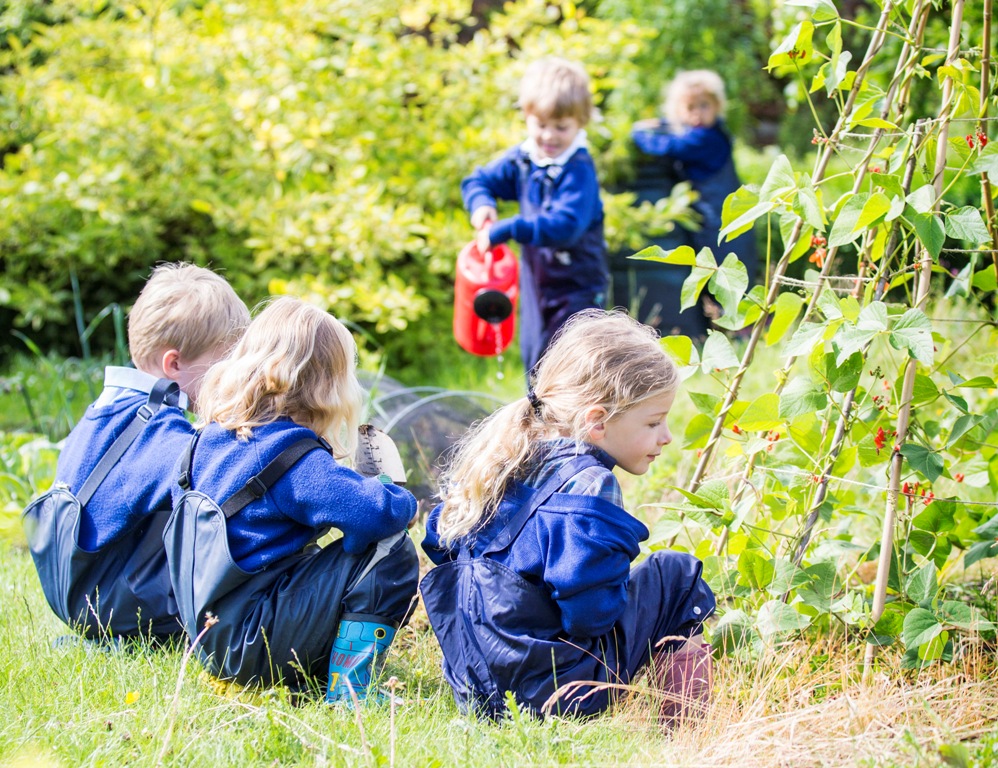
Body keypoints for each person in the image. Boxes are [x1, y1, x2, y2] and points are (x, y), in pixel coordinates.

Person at [420, 310, 716, 722]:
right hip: (557, 695)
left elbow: (439, 543)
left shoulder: (503, 459)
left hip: (477, 690)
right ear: (596, 421)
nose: (665, 437)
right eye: (653, 422)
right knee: (677, 577)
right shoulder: (590, 485)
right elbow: (591, 616)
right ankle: (687, 729)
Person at [165, 297, 420, 702]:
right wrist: (398, 495)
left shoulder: (209, 439)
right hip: (253, 643)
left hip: (209, 638)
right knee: (390, 547)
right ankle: (351, 690)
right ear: (329, 388)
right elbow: (376, 515)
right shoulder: (292, 455)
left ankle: (309, 666)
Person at [25, 263, 249, 642]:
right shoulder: (158, 431)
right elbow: (218, 481)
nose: (231, 379)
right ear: (174, 364)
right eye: (223, 366)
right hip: (118, 604)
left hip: (82, 590)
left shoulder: (107, 410)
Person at [461, 56, 609, 375]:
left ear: (580, 122)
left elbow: (565, 226)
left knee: (572, 367)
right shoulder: (525, 160)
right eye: (541, 125)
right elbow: (478, 180)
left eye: (561, 127)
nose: (549, 137)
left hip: (577, 289)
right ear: (527, 117)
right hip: (536, 285)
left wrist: (510, 227)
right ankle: (539, 421)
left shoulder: (578, 170)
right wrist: (482, 204)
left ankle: (575, 423)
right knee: (536, 361)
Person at [627, 70, 757, 333]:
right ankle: (723, 323)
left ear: (718, 107)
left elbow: (670, 147)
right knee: (716, 269)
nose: (697, 114)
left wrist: (638, 133)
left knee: (726, 270)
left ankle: (739, 327)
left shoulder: (708, 139)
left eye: (704, 106)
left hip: (723, 218)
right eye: (689, 108)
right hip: (712, 215)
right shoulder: (699, 133)